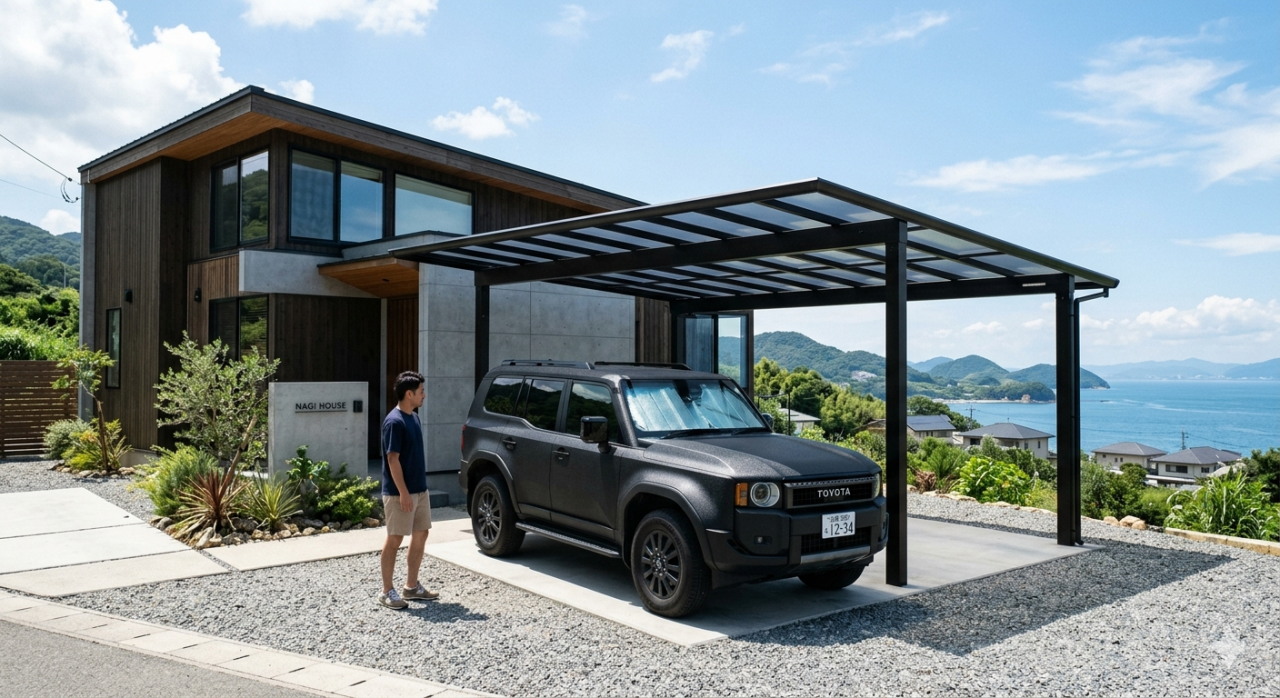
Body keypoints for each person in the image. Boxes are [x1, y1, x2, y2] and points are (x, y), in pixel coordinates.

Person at [378, 370, 438, 609]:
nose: (424, 395)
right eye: (421, 391)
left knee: (422, 533)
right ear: (409, 393)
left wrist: (416, 490)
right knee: (395, 538)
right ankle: (386, 592)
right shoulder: (394, 421)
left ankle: (411, 587)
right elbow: (393, 459)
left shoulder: (413, 417)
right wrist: (402, 492)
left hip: (419, 489)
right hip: (398, 492)